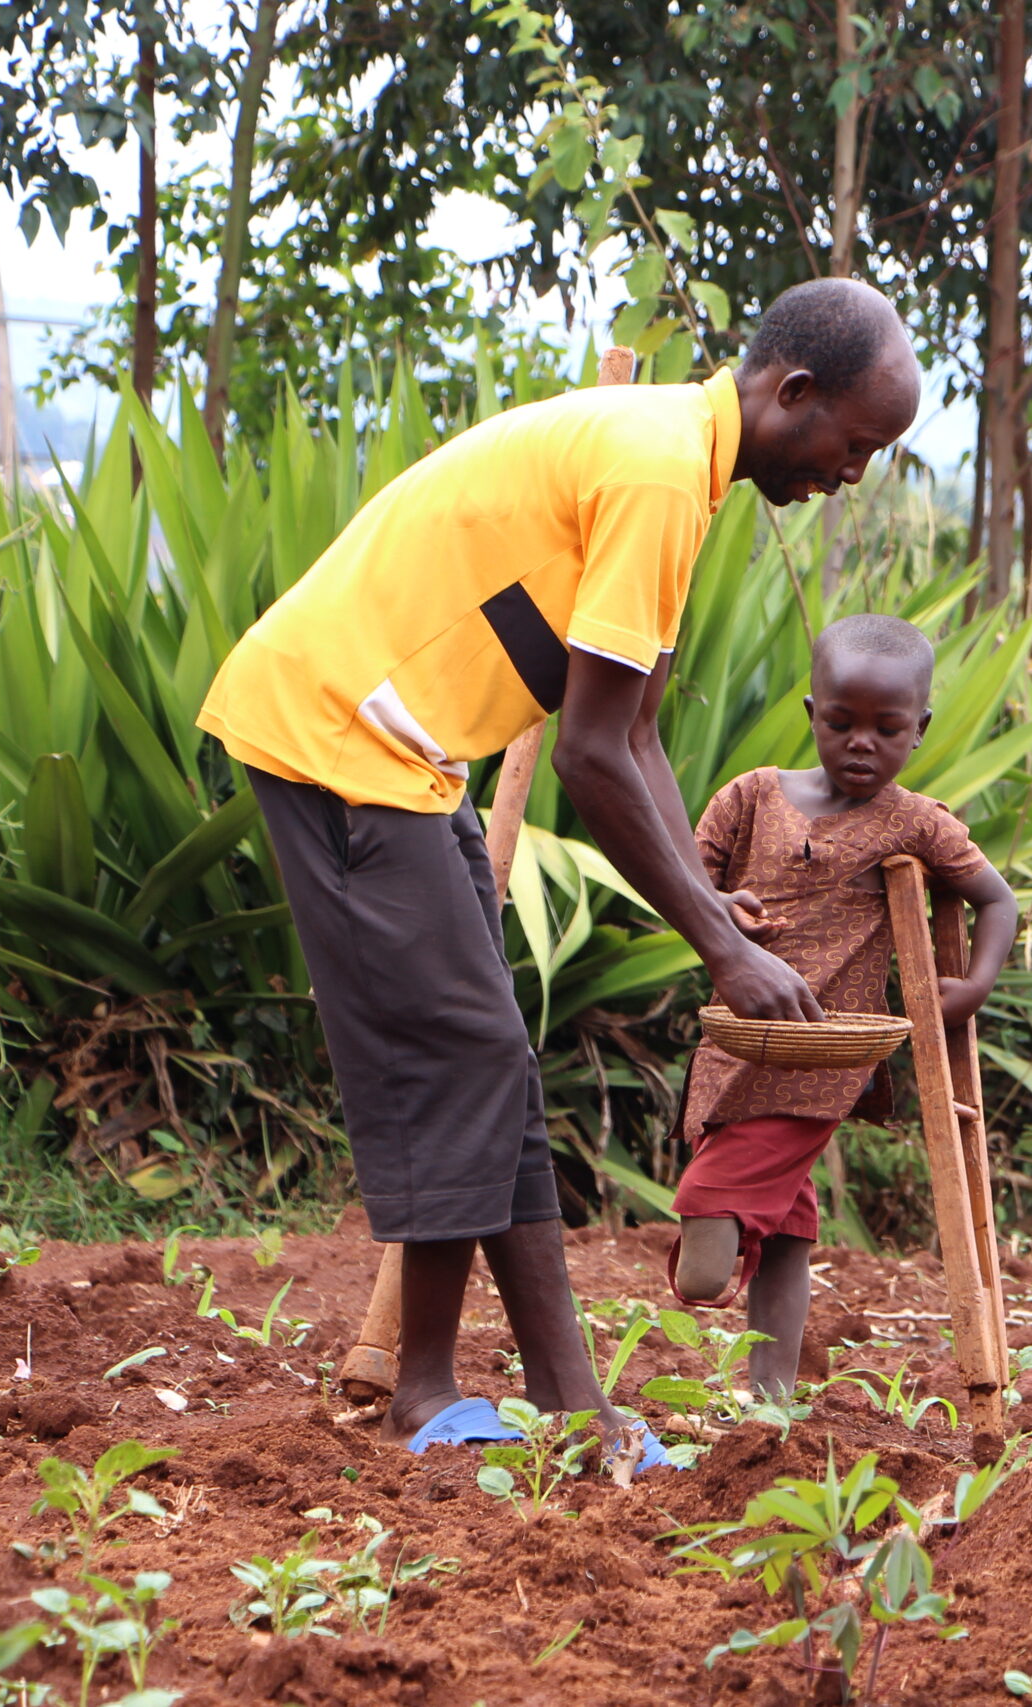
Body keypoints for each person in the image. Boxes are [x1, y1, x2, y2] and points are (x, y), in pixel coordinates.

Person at [196, 278, 922, 1461]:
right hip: (339, 737)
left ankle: (573, 1409)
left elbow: (629, 730)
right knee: (466, 1053)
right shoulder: (653, 471)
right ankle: (433, 1395)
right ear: (792, 393)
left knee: (491, 1060)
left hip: (410, 754)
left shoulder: (674, 464)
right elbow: (586, 755)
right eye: (857, 440)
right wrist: (720, 948)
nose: (855, 471)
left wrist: (707, 894)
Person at [670, 613, 1017, 1398]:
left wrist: (976, 982)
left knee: (702, 1263)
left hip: (827, 1059)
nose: (862, 742)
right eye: (841, 722)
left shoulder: (916, 821)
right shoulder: (751, 798)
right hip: (734, 1049)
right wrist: (722, 908)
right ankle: (773, 1400)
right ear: (811, 714)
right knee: (787, 1230)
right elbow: (685, 879)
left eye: (887, 728)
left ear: (920, 729)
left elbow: (997, 900)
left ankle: (745, 1305)